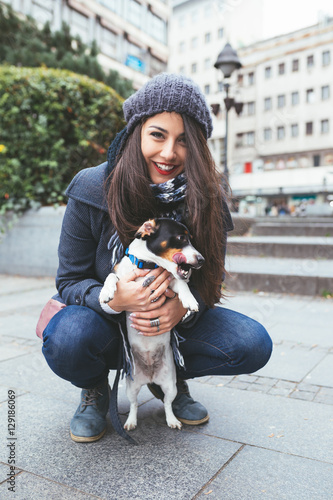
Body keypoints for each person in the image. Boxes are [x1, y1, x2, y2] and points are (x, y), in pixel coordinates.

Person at [37, 73, 272, 443]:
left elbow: (211, 281)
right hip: (105, 326)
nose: (168, 153)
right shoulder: (91, 187)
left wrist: (181, 308)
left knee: (252, 343)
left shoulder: (207, 197)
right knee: (68, 337)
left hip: (173, 332)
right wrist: (115, 300)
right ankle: (95, 388)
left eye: (183, 141)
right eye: (158, 135)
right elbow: (69, 281)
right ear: (137, 133)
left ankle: (170, 379)